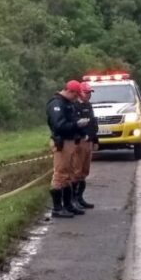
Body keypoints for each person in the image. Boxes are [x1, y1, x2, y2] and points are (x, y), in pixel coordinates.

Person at [46, 80, 87, 218]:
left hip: (70, 142)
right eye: (76, 96)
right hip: (61, 142)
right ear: (69, 91)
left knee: (68, 175)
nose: (76, 99)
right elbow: (59, 125)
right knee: (60, 175)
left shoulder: (68, 103)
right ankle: (57, 208)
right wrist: (76, 125)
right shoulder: (56, 104)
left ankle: (68, 205)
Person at [72, 81, 97, 209]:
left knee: (84, 172)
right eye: (86, 93)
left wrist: (94, 138)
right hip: (79, 142)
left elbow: (93, 123)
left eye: (89, 93)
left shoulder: (89, 106)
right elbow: (75, 125)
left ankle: (80, 197)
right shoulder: (74, 106)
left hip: (89, 142)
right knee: (76, 171)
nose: (88, 95)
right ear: (79, 93)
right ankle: (73, 199)